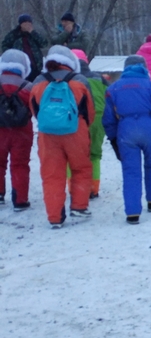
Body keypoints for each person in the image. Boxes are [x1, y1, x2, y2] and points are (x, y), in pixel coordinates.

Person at [103, 55, 151, 224]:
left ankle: (133, 212)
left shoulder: (113, 89)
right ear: (144, 67)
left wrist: (113, 139)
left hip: (126, 130)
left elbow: (108, 119)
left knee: (131, 172)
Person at [30, 45, 94, 227]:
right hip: (76, 131)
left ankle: (55, 217)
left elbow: (35, 109)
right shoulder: (79, 80)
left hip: (48, 134)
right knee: (81, 168)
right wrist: (83, 126)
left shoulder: (38, 81)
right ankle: (79, 207)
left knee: (52, 175)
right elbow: (89, 109)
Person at [0, 49, 34, 210]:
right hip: (22, 131)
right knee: (20, 164)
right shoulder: (28, 86)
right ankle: (20, 200)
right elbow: (34, 108)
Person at [72, 49, 108, 199]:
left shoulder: (70, 80)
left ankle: (73, 187)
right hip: (99, 118)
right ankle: (93, 188)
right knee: (94, 154)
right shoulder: (100, 79)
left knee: (74, 155)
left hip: (78, 118)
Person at [1, 15, 47, 81]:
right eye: (25, 23)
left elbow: (44, 44)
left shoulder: (34, 34)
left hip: (36, 66)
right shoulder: (14, 34)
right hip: (21, 66)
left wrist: (32, 33)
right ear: (21, 24)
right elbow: (4, 46)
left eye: (29, 23)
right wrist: (13, 55)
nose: (27, 25)